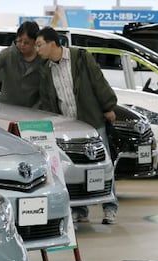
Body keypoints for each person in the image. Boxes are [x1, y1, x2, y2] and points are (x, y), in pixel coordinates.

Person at [35, 26, 119, 225]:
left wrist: (108, 106)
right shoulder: (46, 69)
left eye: (40, 45)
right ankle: (80, 209)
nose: (37, 50)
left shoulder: (80, 58)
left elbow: (99, 82)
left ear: (52, 43)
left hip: (91, 121)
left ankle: (110, 207)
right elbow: (47, 99)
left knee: (102, 166)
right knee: (74, 168)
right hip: (68, 128)